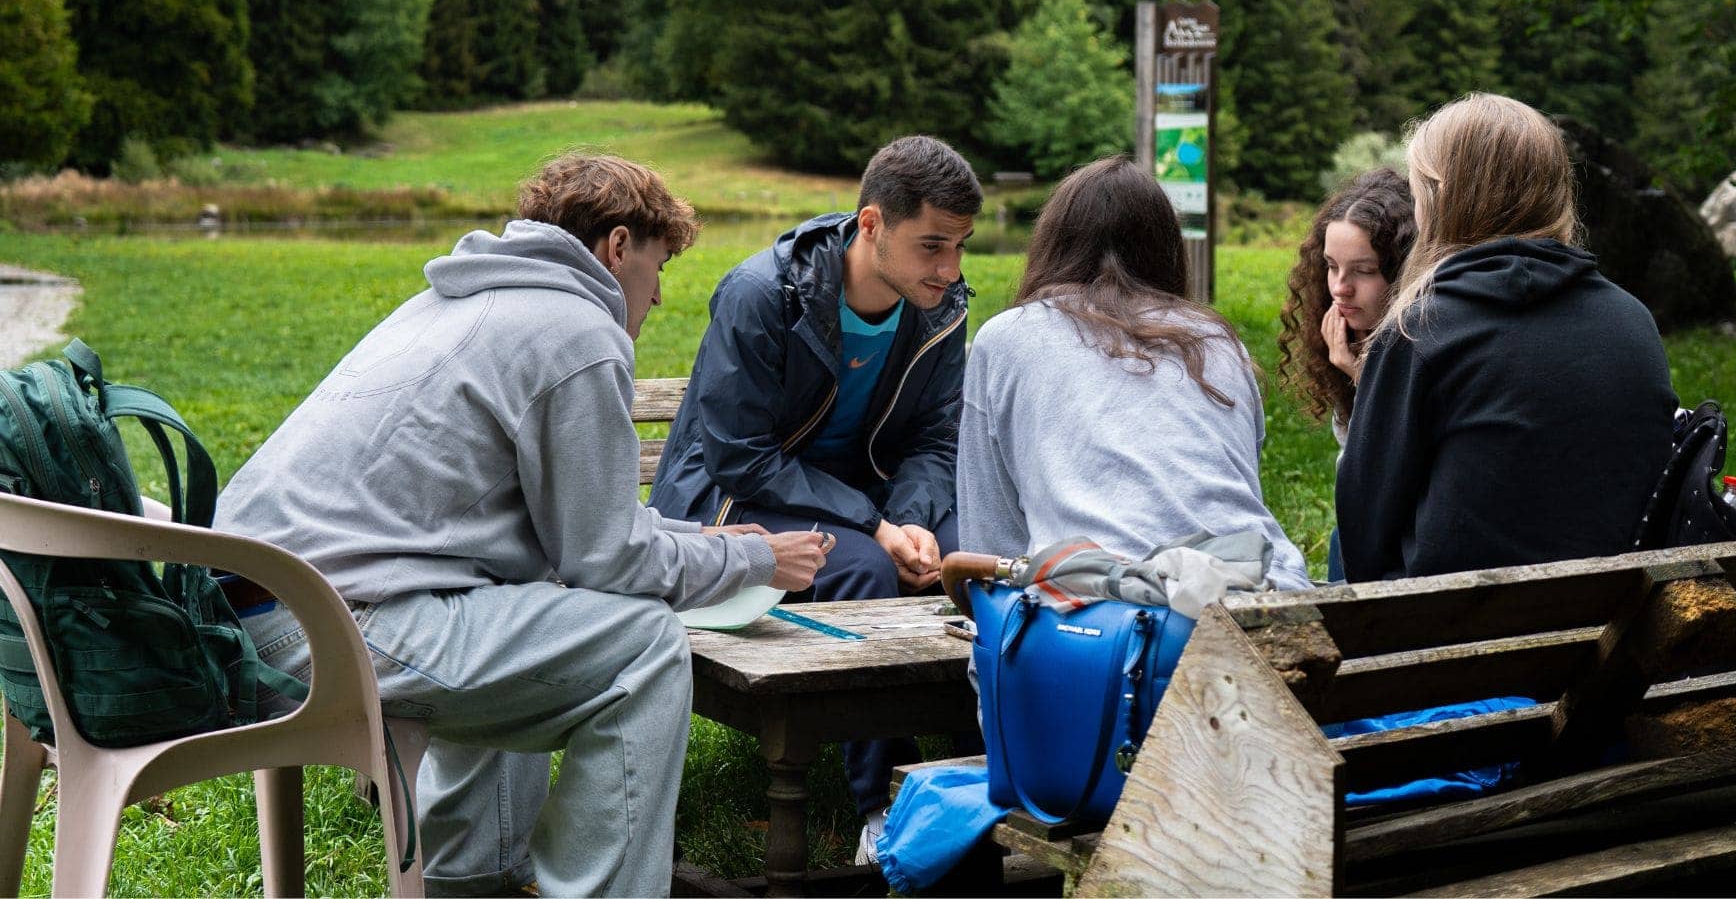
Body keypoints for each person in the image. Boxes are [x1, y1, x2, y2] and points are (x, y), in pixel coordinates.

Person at [215, 155, 829, 897]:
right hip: (327, 627)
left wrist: (706, 541)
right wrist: (754, 564)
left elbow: (574, 529)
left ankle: (472, 882)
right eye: (660, 267)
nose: (660, 295)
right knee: (642, 645)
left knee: (524, 602)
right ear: (618, 246)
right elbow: (606, 561)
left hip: (250, 612)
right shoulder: (577, 330)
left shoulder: (456, 301)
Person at [647, 133, 980, 862]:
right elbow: (739, 456)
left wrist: (912, 521)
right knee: (861, 565)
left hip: (866, 496)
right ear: (872, 224)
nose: (950, 269)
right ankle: (885, 811)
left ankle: (981, 785)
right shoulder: (762, 294)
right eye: (932, 246)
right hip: (730, 499)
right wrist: (876, 524)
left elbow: (935, 438)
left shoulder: (940, 305)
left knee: (970, 560)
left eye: (960, 246)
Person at [1336, 93, 1677, 582]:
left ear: (1441, 198)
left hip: (1450, 623)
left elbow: (1364, 544)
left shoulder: (1419, 328)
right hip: (1610, 616)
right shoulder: (1632, 320)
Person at [957, 156, 1311, 590]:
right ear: (1166, 249)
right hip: (1270, 584)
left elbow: (990, 543)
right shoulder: (1216, 339)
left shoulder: (1006, 338)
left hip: (1118, 602)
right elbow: (1236, 484)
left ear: (1051, 243)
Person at [1275, 169, 1416, 579]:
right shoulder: (1353, 337)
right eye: (1331, 266)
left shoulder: (1420, 343)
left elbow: (1389, 483)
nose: (1340, 287)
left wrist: (1363, 376)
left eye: (1364, 270)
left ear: (1404, 269)